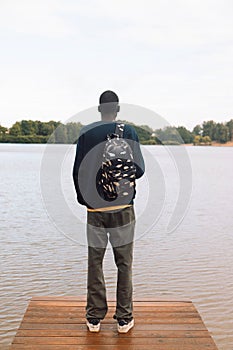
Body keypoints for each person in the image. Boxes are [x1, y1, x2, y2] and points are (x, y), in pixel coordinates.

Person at [73, 90, 145, 333]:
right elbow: (140, 170)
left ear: (99, 109)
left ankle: (94, 318)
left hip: (95, 208)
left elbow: (78, 171)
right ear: (118, 110)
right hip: (123, 208)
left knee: (95, 262)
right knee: (124, 264)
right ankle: (124, 319)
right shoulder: (130, 131)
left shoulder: (86, 132)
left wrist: (85, 201)